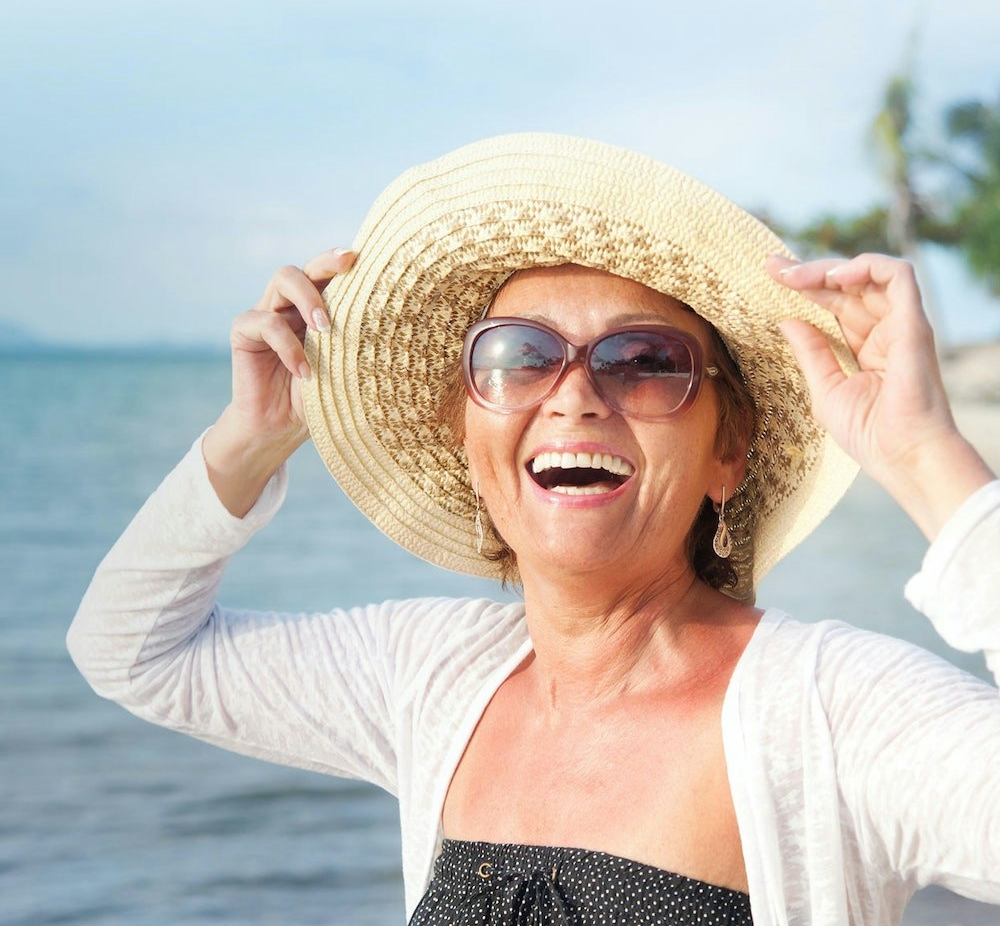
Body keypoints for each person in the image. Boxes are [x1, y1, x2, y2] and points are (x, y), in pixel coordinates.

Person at [68, 134, 1000, 925]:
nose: (575, 397)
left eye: (644, 360)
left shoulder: (830, 710)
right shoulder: (430, 675)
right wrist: (251, 441)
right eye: (521, 356)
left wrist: (924, 457)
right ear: (469, 441)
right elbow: (132, 652)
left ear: (729, 452)